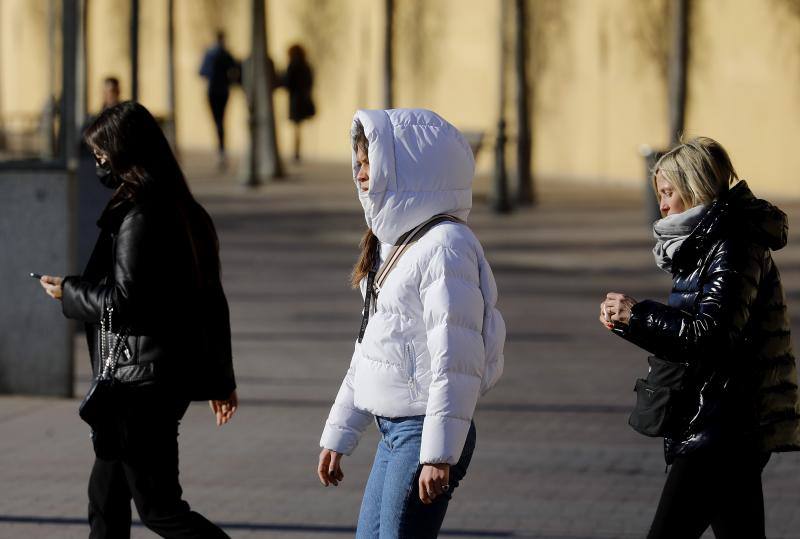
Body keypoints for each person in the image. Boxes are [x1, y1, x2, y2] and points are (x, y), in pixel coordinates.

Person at [38, 101, 238, 539]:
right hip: (154, 379)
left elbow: (127, 302)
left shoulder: (141, 215)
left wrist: (69, 293)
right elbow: (212, 301)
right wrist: (220, 380)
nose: (98, 165)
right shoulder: (185, 210)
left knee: (160, 508)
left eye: (102, 156)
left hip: (139, 385)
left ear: (126, 154)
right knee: (106, 500)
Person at [317, 109, 506, 538]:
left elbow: (456, 360)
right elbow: (371, 348)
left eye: (369, 164)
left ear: (407, 168)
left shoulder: (446, 245)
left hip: (424, 431)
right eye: (359, 165)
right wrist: (338, 435)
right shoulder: (392, 241)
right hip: (396, 432)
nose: (361, 175)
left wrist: (439, 455)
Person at [600, 137, 800, 538]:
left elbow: (710, 335)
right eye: (659, 194)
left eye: (669, 192)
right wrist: (629, 322)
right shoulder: (713, 243)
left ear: (695, 189)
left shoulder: (732, 245)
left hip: (720, 425)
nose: (663, 205)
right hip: (728, 423)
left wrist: (637, 315)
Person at [200, 31, 240, 169]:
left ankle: (221, 150)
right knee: (221, 120)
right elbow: (236, 70)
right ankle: (221, 149)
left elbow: (202, 72)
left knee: (218, 120)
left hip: (214, 91)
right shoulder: (225, 54)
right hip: (223, 90)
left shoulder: (211, 54)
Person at [280, 44, 315, 161]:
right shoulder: (306, 66)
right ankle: (297, 151)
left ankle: (296, 151)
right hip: (303, 99)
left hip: (295, 100)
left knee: (296, 126)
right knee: (298, 127)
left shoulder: (292, 66)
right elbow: (310, 82)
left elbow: (287, 82)